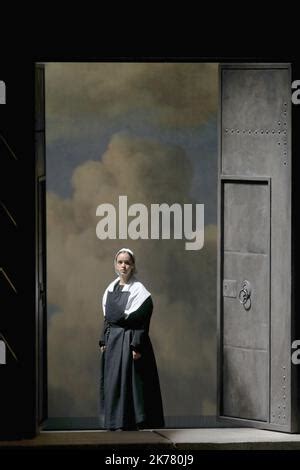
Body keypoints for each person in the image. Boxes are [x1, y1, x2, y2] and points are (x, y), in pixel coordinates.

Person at [99, 247, 165, 431]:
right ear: (115, 265)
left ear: (133, 266)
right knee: (114, 383)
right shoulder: (110, 289)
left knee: (131, 385)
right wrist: (103, 340)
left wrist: (137, 345)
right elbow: (107, 319)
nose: (123, 266)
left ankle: (131, 422)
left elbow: (142, 321)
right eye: (120, 262)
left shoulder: (139, 291)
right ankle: (115, 422)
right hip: (113, 342)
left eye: (127, 262)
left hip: (129, 342)